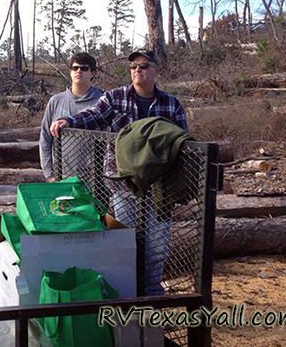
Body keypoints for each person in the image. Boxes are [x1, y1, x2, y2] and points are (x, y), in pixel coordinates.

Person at [49, 48, 187, 295]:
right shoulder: (115, 98)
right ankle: (127, 296)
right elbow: (92, 115)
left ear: (156, 70)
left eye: (143, 66)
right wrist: (68, 121)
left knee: (157, 247)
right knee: (125, 243)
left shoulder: (171, 104)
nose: (137, 71)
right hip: (123, 185)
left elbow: (182, 144)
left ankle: (152, 296)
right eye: (133, 66)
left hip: (159, 189)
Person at [39, 52, 103, 182]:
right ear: (70, 71)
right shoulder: (55, 101)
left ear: (93, 73)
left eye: (84, 68)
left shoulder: (103, 101)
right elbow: (45, 139)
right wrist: (49, 174)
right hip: (61, 176)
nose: (79, 71)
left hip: (95, 180)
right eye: (75, 68)